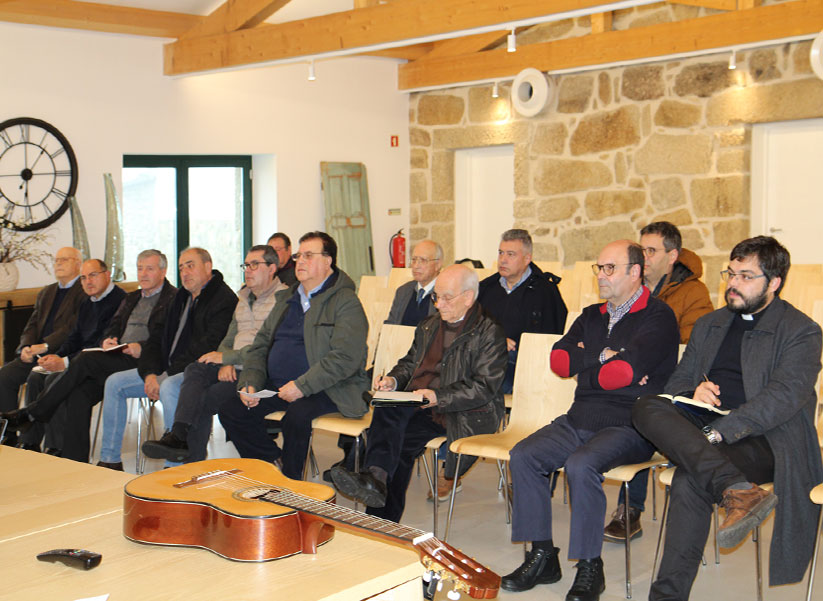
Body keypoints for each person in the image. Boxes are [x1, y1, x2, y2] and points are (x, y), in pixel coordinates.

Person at [633, 236, 823, 600]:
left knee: (691, 480)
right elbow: (677, 383)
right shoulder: (711, 324)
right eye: (731, 273)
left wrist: (717, 433)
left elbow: (781, 400)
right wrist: (692, 394)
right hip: (705, 428)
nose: (732, 284)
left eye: (746, 276)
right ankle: (737, 489)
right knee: (646, 405)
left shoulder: (801, 331)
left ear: (775, 283)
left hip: (768, 440)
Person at [501, 240, 679, 601]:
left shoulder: (658, 316)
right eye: (598, 267)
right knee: (524, 455)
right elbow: (559, 361)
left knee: (582, 466)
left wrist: (597, 362)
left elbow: (624, 372)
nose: (601, 275)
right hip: (578, 417)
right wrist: (605, 357)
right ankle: (542, 556)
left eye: (609, 268)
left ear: (635, 271)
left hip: (632, 424)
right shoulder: (589, 315)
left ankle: (588, 567)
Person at [330, 264, 507, 522]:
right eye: (436, 296)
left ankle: (371, 486)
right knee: (395, 430)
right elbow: (410, 363)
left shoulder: (489, 332)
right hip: (418, 404)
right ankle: (378, 495)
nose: (439, 304)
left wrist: (438, 397)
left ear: (468, 297)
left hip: (460, 412)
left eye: (447, 297)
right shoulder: (429, 325)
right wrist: (393, 379)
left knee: (393, 433)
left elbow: (484, 388)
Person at [219, 232, 369, 480]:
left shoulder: (346, 302)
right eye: (299, 255)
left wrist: (302, 385)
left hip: (330, 387)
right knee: (232, 409)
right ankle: (271, 462)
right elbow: (260, 346)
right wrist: (251, 381)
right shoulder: (287, 299)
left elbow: (345, 358)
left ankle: (291, 486)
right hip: (280, 385)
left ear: (328, 261)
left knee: (296, 417)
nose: (300, 261)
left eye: (309, 256)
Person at [0, 251, 175, 462]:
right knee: (78, 393)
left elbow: (167, 339)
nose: (143, 274)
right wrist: (108, 340)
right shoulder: (132, 298)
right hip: (117, 356)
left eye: (150, 268)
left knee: (84, 359)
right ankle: (76, 460)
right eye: (139, 268)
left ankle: (32, 413)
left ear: (163, 271)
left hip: (144, 361)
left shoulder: (172, 300)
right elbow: (113, 327)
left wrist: (141, 347)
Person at [604, 222, 714, 543]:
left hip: (670, 385)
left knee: (637, 414)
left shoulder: (693, 293)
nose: (645, 257)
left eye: (652, 251)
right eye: (642, 250)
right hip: (629, 377)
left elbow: (695, 348)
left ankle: (630, 508)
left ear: (672, 255)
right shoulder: (629, 287)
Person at [141, 245, 286, 463]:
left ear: (272, 268)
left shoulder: (283, 300)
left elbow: (269, 348)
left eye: (255, 265)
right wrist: (224, 360)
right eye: (246, 265)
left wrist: (228, 359)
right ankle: (179, 435)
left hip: (258, 372)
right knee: (195, 368)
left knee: (205, 397)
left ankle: (190, 460)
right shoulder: (244, 297)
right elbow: (228, 338)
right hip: (233, 365)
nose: (248, 270)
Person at [95, 247, 236, 470]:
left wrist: (164, 375)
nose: (185, 272)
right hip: (163, 370)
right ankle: (110, 459)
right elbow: (155, 338)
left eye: (191, 265)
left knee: (170, 386)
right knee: (115, 383)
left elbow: (205, 347)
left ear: (208, 267)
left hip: (195, 372)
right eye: (181, 268)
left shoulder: (223, 300)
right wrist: (150, 373)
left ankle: (174, 464)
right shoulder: (180, 297)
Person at [0, 247, 85, 444]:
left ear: (78, 264)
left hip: (59, 354)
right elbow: (32, 324)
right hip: (36, 353)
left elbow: (70, 329)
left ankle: (31, 440)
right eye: (56, 260)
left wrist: (45, 346)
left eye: (65, 260)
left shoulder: (83, 292)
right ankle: (9, 434)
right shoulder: (47, 292)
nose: (59, 264)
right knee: (5, 376)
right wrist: (26, 347)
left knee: (36, 377)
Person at [478, 229, 567, 395]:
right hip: (484, 359)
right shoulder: (485, 289)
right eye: (500, 253)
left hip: (523, 366)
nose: (503, 259)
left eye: (511, 254)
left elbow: (552, 340)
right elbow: (468, 328)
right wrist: (495, 342)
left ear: (527, 259)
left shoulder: (545, 292)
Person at [385, 239, 442, 326]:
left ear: (437, 265)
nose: (416, 266)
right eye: (414, 260)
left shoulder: (444, 294)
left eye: (423, 260)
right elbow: (390, 325)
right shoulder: (403, 291)